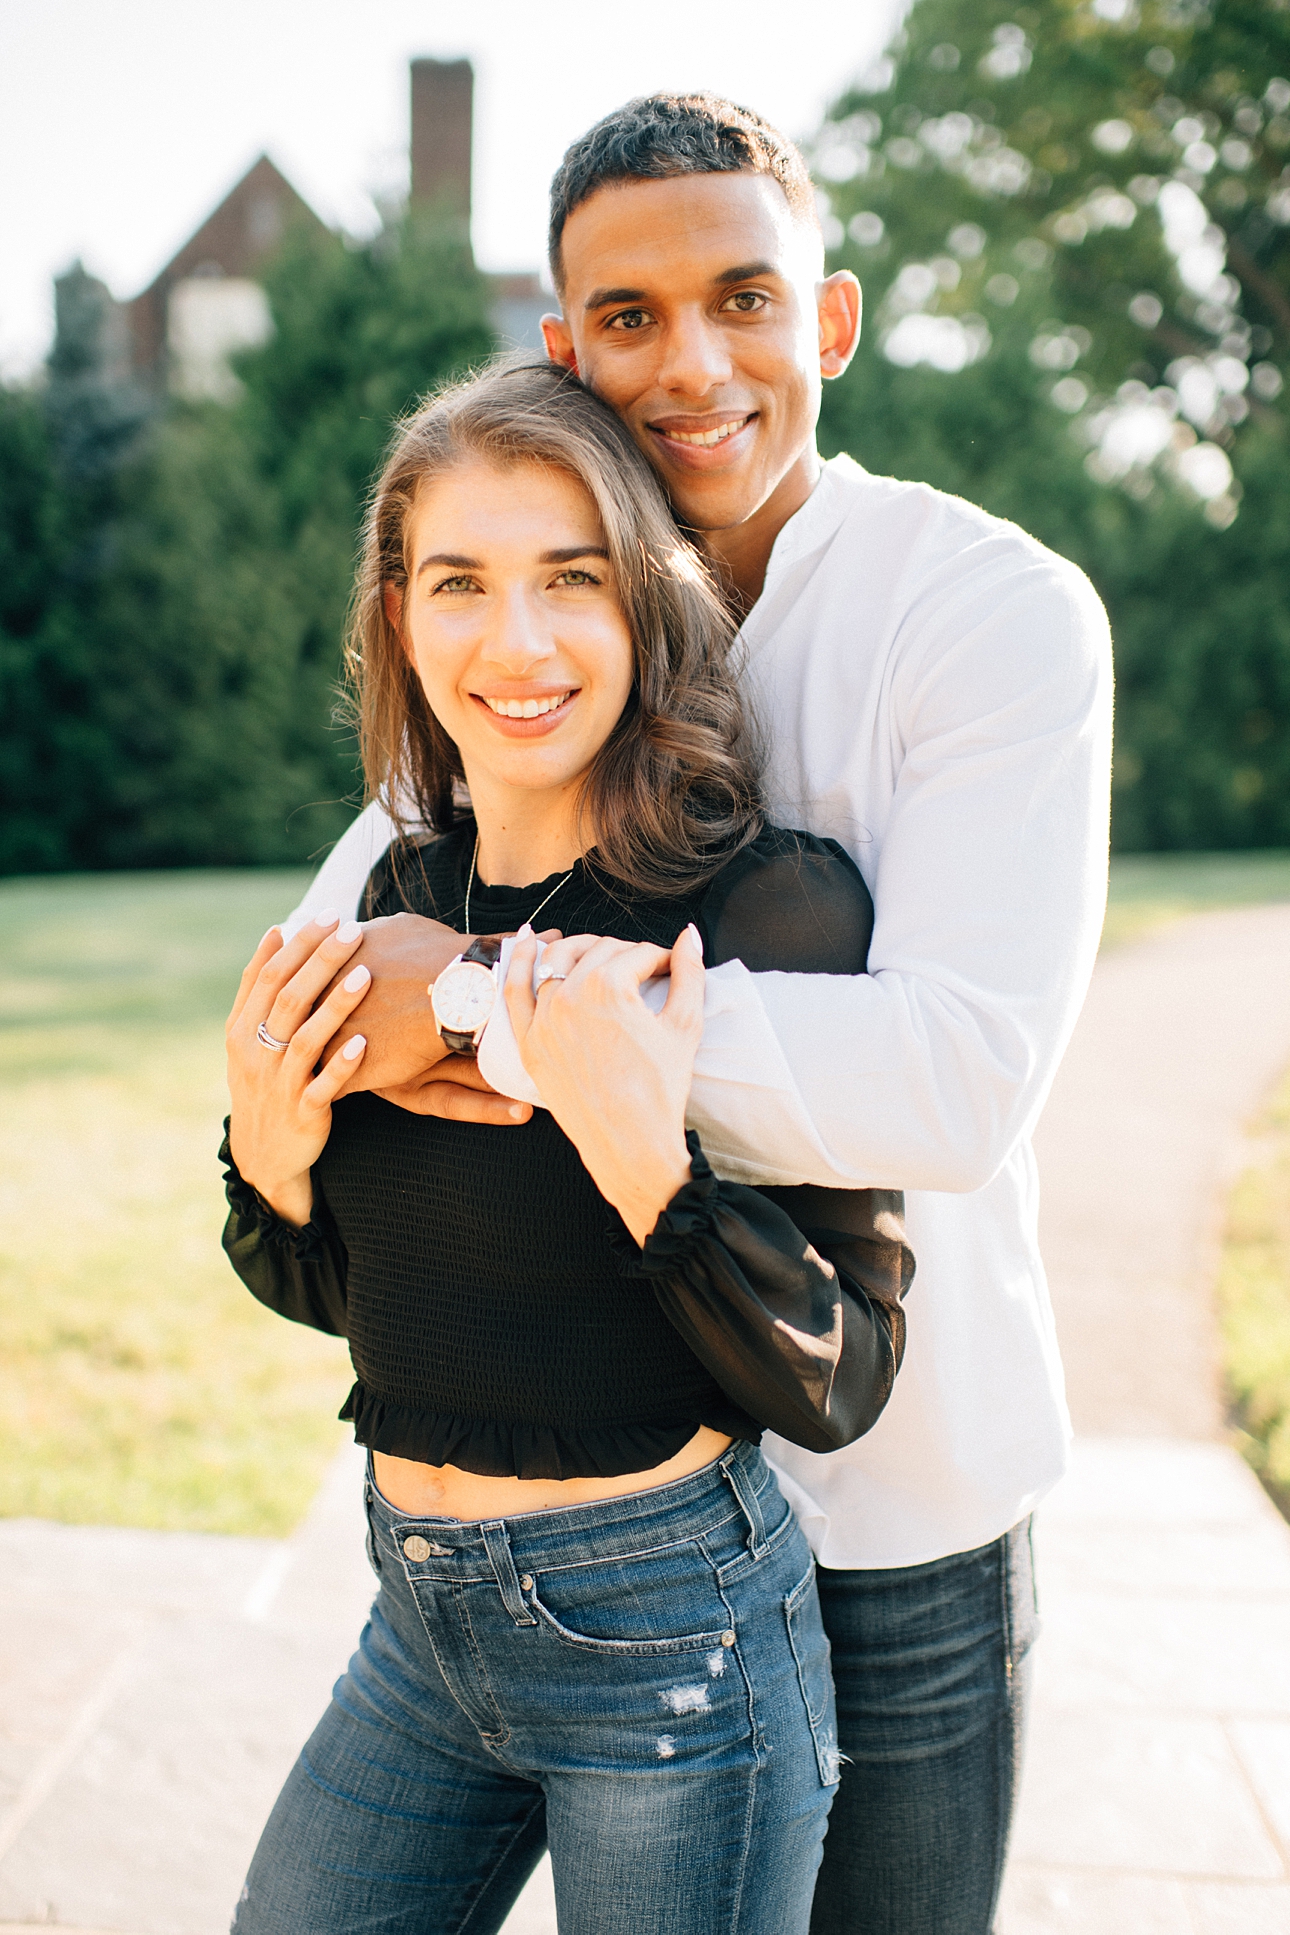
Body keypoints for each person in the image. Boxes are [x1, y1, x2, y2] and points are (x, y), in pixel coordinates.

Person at [290, 96, 1113, 1935]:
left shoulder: (989, 613)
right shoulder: (552, 618)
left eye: (743, 299)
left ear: (824, 323)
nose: (693, 367)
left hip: (888, 1506)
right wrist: (388, 1019)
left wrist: (497, 1010)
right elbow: (321, 967)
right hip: (592, 1520)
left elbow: (952, 1080)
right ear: (564, 353)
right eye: (631, 321)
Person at [221, 361, 913, 1935]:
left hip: (675, 1650)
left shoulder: (762, 910)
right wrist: (264, 1162)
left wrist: (645, 1168)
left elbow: (843, 1367)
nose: (514, 642)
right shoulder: (390, 899)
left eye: (569, 582)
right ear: (402, 618)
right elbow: (359, 1292)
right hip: (417, 1623)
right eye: (460, 582)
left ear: (643, 610)